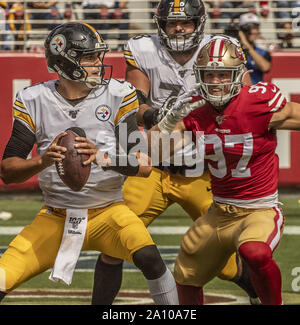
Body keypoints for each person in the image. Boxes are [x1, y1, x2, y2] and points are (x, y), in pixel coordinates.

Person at [91, 0, 259, 305]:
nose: (178, 28)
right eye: (171, 23)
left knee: (224, 261)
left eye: (185, 23)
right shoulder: (144, 50)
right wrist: (158, 115)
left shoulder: (221, 49)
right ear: (161, 25)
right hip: (153, 168)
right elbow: (135, 103)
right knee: (114, 242)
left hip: (200, 170)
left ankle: (262, 296)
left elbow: (245, 101)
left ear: (199, 24)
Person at [0, 22, 179, 305]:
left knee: (151, 260)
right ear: (65, 61)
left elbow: (143, 165)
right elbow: (8, 171)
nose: (99, 64)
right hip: (56, 216)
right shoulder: (34, 99)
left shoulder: (117, 94)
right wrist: (42, 160)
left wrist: (103, 158)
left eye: (98, 56)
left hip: (110, 211)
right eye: (89, 57)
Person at [148, 37, 300, 305]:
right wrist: (169, 119)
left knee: (254, 252)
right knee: (186, 271)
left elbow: (294, 116)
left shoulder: (257, 103)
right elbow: (155, 152)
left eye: (223, 74)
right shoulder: (195, 109)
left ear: (238, 75)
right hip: (218, 212)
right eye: (209, 74)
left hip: (259, 210)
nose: (216, 81)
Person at [239, 13, 272, 84]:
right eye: (249, 28)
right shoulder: (233, 50)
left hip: (255, 91)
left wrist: (247, 45)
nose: (253, 31)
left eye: (255, 27)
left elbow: (265, 68)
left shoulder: (262, 51)